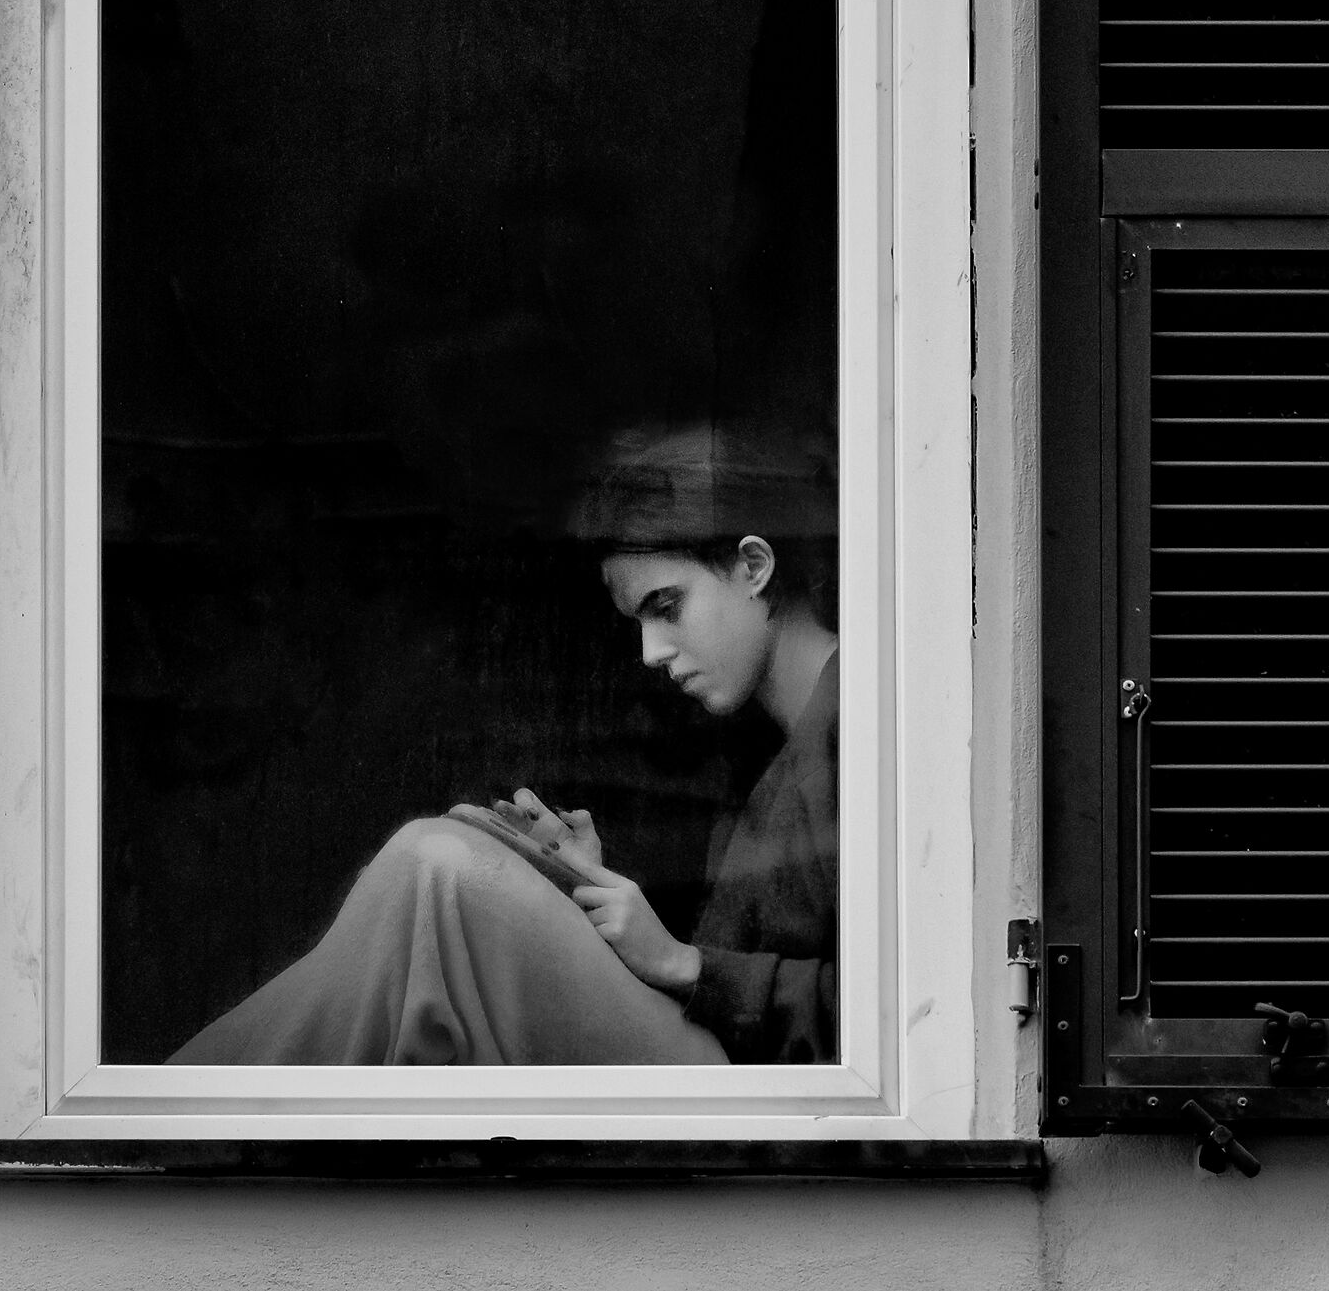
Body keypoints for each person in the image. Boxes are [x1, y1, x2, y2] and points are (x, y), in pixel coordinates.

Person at [166, 426, 839, 1066]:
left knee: (438, 872)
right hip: (725, 1068)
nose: (650, 652)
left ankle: (169, 1123)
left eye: (666, 607)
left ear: (754, 566)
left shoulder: (868, 733)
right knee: (433, 875)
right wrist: (587, 886)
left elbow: (909, 1033)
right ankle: (178, 1114)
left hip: (763, 1114)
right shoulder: (778, 746)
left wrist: (683, 962)